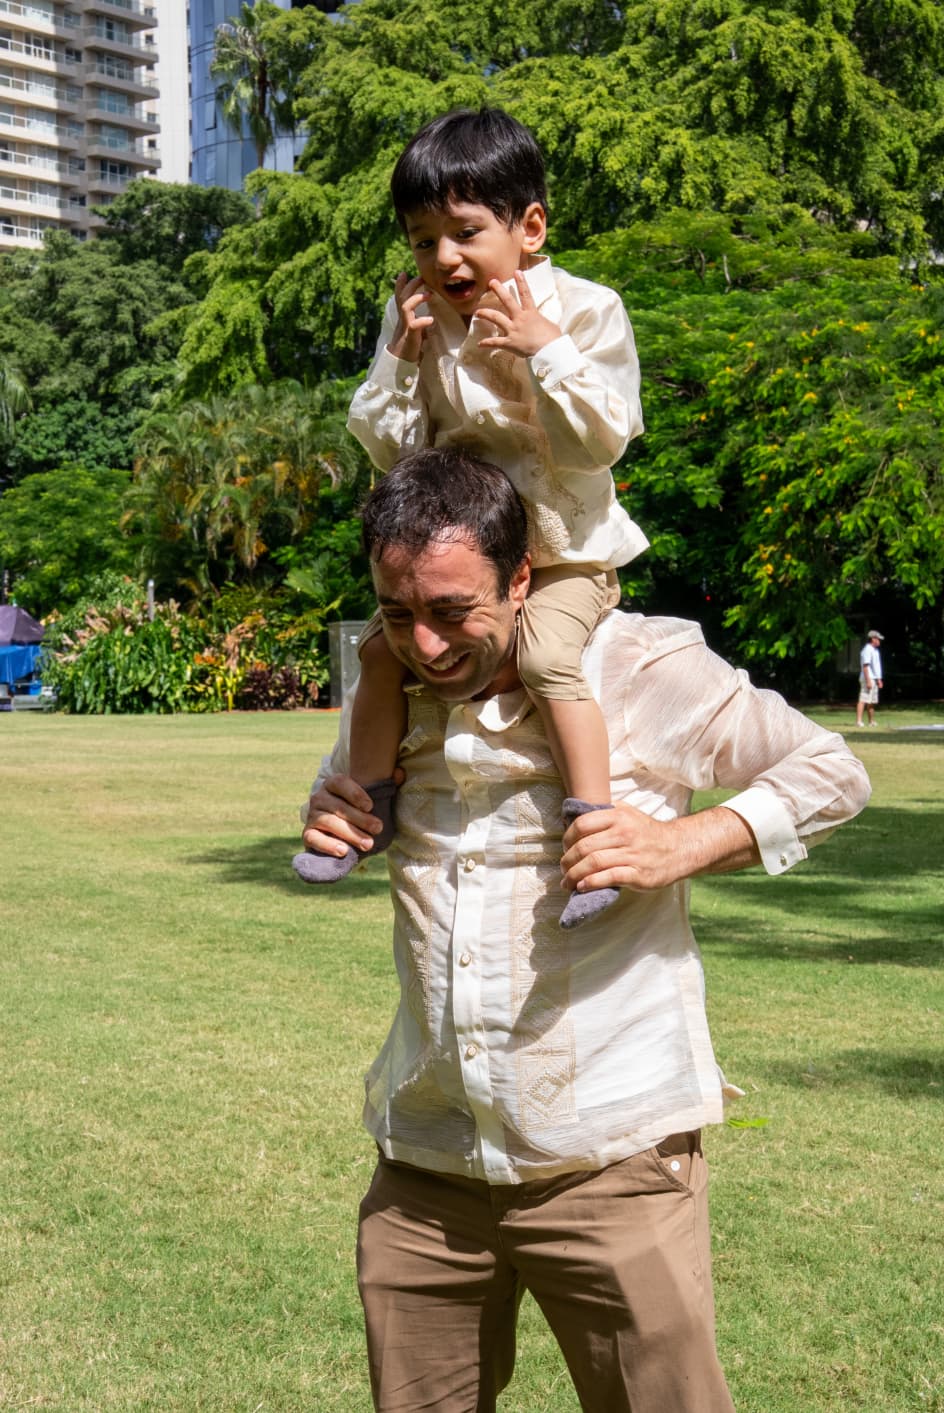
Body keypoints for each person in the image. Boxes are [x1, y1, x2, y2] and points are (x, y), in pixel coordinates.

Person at [299, 449, 871, 1413]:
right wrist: (333, 815)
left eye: (453, 612)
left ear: (522, 577)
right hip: (428, 1162)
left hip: (611, 1159)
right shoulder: (392, 686)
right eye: (398, 615)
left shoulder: (635, 664)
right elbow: (351, 802)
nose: (426, 646)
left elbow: (831, 773)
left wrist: (678, 843)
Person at [295, 105, 648, 929]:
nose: (442, 258)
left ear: (529, 226)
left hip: (561, 555)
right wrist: (398, 359)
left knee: (548, 655)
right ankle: (361, 808)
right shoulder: (416, 316)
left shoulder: (588, 311)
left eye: (463, 231)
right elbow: (391, 454)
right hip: (464, 558)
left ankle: (591, 824)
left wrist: (544, 348)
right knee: (383, 651)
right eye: (422, 240)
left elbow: (603, 444)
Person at [856, 629, 884, 726]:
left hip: (874, 678)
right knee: (863, 699)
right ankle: (859, 721)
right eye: (878, 639)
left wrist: (879, 679)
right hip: (868, 677)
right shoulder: (867, 650)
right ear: (873, 639)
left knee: (872, 701)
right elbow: (865, 666)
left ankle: (871, 721)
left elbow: (876, 667)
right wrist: (868, 680)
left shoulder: (875, 651)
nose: (879, 641)